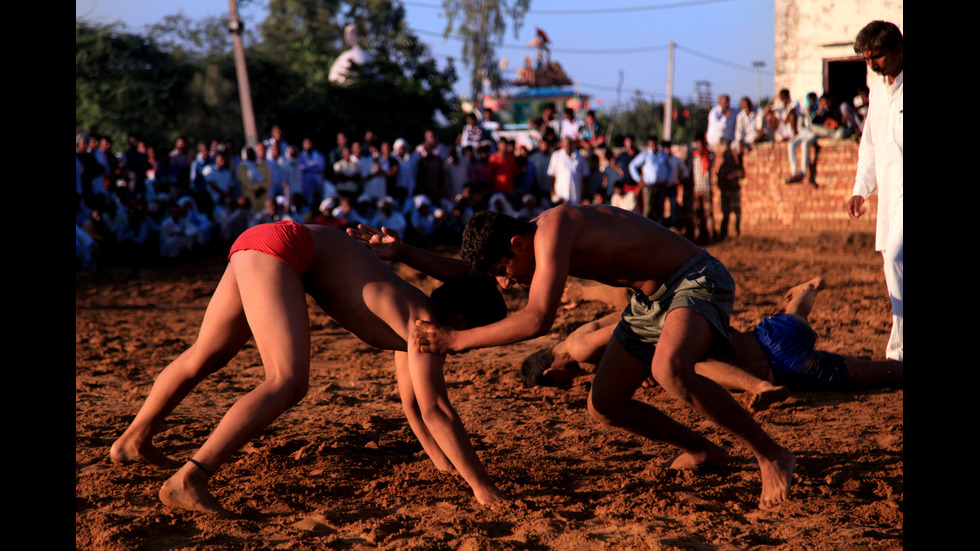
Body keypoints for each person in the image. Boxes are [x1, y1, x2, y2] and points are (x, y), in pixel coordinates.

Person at [354, 206, 795, 508]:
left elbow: (537, 320)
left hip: (693, 279)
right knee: (605, 404)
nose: (503, 283)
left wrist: (456, 341)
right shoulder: (529, 242)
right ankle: (703, 450)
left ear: (517, 244)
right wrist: (405, 253)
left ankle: (770, 453)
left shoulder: (555, 230)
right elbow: (474, 277)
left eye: (503, 270)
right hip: (646, 303)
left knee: (670, 369)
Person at [110, 221, 509, 517]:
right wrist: (483, 487)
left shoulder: (411, 314)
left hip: (268, 240)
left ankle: (133, 441)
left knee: (207, 355)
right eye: (471, 338)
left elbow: (415, 408)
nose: (462, 349)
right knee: (287, 381)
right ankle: (190, 477)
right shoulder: (425, 326)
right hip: (286, 249)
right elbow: (437, 410)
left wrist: (447, 470)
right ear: (459, 322)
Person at [526, 277, 902, 410]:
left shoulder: (578, 350)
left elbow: (629, 325)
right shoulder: (574, 338)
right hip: (771, 335)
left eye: (559, 385)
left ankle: (760, 386)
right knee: (796, 320)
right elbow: (625, 302)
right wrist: (586, 291)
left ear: (549, 371)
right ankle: (807, 289)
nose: (569, 386)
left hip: (781, 368)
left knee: (869, 372)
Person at [846, 20, 903, 362]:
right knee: (894, 260)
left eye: (878, 56)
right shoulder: (879, 90)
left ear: (899, 51)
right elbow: (869, 144)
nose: (872, 64)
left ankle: (898, 353)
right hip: (890, 195)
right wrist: (860, 189)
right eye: (867, 58)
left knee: (895, 257)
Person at [628, 136, 669, 223]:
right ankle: (646, 228)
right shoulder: (645, 154)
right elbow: (632, 166)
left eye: (655, 143)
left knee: (660, 208)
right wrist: (639, 180)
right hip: (649, 186)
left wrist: (667, 178)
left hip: (660, 185)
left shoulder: (663, 154)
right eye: (652, 144)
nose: (654, 146)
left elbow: (668, 167)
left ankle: (660, 229)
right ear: (648, 145)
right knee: (648, 208)